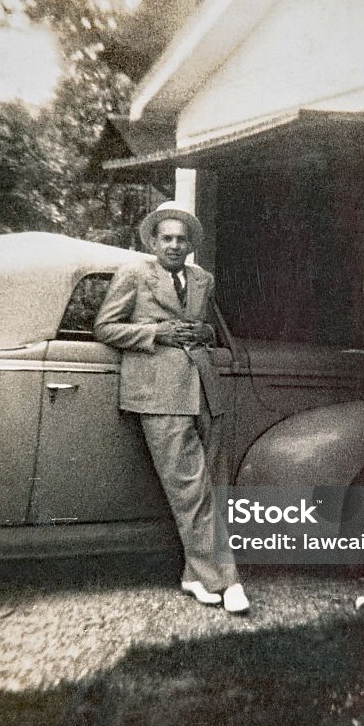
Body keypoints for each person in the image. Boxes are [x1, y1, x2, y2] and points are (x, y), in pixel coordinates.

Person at [94, 201, 249, 613]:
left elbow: (209, 329)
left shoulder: (202, 279)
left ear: (190, 244)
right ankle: (226, 580)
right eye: (167, 238)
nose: (175, 246)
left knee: (215, 485)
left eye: (182, 239)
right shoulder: (134, 275)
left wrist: (204, 331)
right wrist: (156, 332)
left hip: (205, 390)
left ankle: (194, 576)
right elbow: (105, 327)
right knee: (190, 489)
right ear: (154, 241)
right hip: (159, 393)